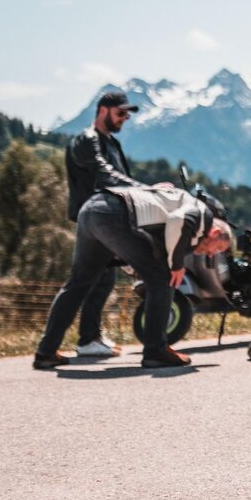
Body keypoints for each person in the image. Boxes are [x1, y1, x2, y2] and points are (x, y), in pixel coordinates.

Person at [33, 186, 231, 369]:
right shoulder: (203, 214)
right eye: (218, 248)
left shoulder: (178, 209)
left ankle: (46, 352)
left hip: (92, 209)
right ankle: (156, 351)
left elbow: (140, 246)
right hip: (117, 213)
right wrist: (176, 264)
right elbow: (179, 221)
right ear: (215, 232)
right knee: (163, 278)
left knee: (78, 283)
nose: (212, 254)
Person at [65, 90, 145, 358]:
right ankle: (86, 340)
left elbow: (120, 177)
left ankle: (91, 337)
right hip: (94, 220)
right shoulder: (86, 140)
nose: (125, 118)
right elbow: (104, 173)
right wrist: (145, 190)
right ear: (102, 111)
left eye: (127, 115)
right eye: (120, 113)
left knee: (102, 279)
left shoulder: (112, 143)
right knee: (88, 281)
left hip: (108, 220)